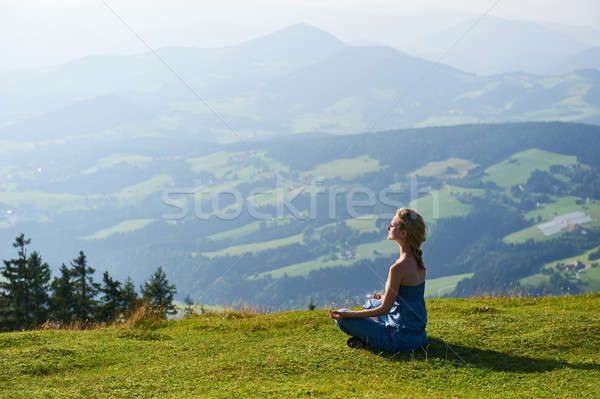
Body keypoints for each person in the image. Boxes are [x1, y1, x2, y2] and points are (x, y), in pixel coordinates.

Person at [329, 207, 428, 352]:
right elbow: (409, 299)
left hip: (399, 339)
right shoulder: (417, 260)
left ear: (403, 232)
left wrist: (349, 314)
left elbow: (384, 309)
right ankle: (369, 335)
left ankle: (370, 340)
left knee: (342, 317)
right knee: (371, 303)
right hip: (418, 336)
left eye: (392, 225)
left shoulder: (398, 267)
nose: (388, 227)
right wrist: (384, 297)